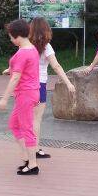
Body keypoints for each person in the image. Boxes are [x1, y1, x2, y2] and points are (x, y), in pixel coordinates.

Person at [27, 16, 76, 158]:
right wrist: (68, 83)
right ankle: (35, 149)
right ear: (46, 30)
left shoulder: (26, 45)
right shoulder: (46, 47)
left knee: (28, 119)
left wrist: (10, 70)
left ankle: (29, 148)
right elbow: (56, 66)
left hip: (25, 85)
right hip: (39, 85)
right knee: (36, 119)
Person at [0, 19, 40, 175]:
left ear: (17, 36)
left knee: (26, 128)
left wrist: (4, 98)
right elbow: (25, 68)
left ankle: (33, 165)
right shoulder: (31, 49)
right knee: (14, 125)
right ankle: (27, 158)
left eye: (11, 37)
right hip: (30, 92)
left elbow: (16, 78)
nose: (10, 40)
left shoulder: (23, 52)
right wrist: (10, 69)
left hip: (25, 94)